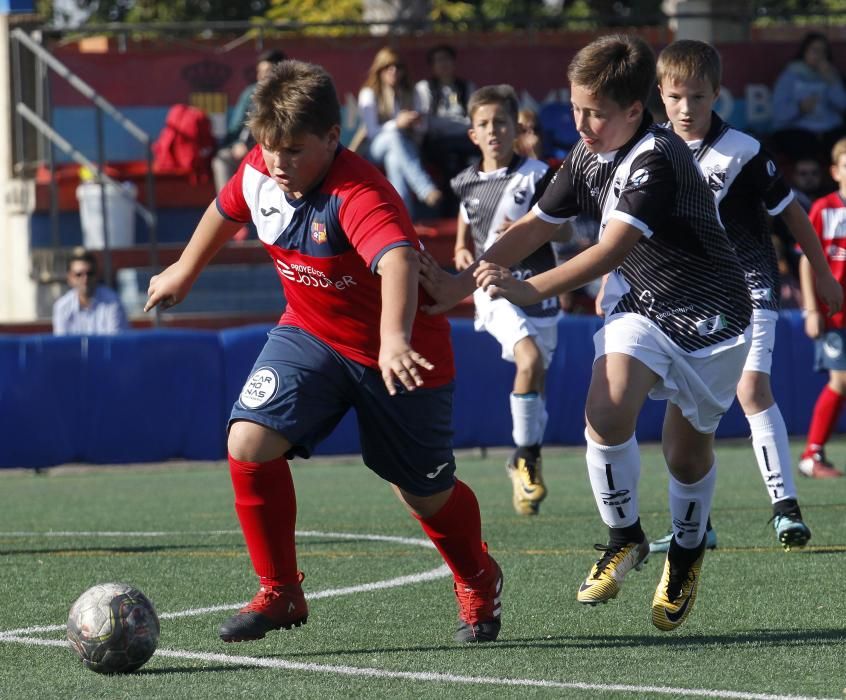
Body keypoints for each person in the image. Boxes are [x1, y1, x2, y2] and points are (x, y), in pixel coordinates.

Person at [143, 59, 503, 645]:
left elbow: (398, 261)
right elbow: (224, 207)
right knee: (248, 441)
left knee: (423, 490)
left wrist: (392, 339)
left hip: (403, 351)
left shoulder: (360, 193)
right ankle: (280, 591)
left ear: (333, 138)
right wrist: (185, 269)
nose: (278, 164)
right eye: (269, 149)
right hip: (310, 335)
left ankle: (478, 577)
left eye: (294, 150)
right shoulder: (264, 165)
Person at [421, 34, 753, 632]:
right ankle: (625, 536)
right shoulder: (585, 152)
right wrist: (459, 284)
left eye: (595, 112)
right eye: (575, 108)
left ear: (634, 109)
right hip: (644, 304)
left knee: (685, 451)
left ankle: (686, 550)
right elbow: (534, 225)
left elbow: (608, 250)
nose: (580, 123)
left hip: (714, 313)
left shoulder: (658, 158)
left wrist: (529, 288)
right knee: (605, 409)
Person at [646, 39, 843, 554]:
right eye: (675, 97)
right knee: (691, 410)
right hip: (686, 297)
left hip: (749, 285)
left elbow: (792, 214)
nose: (686, 109)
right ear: (660, 95)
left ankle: (786, 509)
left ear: (718, 93)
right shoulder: (650, 149)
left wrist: (821, 273)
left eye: (698, 97)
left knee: (751, 390)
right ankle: (697, 524)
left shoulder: (745, 151)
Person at [451, 85, 560, 516]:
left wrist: (537, 227)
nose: (493, 130)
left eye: (501, 122)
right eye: (484, 124)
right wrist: (462, 254)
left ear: (516, 127)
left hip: (539, 288)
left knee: (537, 384)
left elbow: (567, 229)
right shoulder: (465, 182)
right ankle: (527, 458)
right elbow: (465, 240)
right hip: (493, 289)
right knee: (528, 361)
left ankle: (522, 459)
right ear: (472, 134)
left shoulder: (537, 174)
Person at [797, 136, 846, 479]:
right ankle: (811, 454)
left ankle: (815, 453)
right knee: (841, 380)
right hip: (833, 315)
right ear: (835, 171)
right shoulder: (824, 208)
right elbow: (805, 262)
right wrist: (811, 309)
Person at [358, 47, 442, 217]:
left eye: (398, 67)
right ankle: (425, 189)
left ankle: (404, 217)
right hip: (375, 148)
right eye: (388, 67)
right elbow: (373, 132)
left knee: (395, 160)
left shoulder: (412, 92)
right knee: (393, 137)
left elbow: (423, 129)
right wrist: (397, 123)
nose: (394, 71)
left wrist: (416, 122)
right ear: (379, 70)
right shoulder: (369, 94)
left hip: (405, 147)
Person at [212, 49, 288, 193]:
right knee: (221, 160)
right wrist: (236, 144)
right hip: (245, 150)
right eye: (260, 72)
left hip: (276, 152)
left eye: (268, 71)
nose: (262, 76)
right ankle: (226, 209)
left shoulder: (290, 95)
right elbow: (236, 128)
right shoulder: (250, 94)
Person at [770, 32, 846, 164]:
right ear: (804, 52)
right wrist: (799, 108)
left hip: (830, 130)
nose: (819, 56)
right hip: (799, 130)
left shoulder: (831, 75)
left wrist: (831, 81)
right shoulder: (790, 75)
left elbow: (843, 104)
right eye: (815, 50)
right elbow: (779, 112)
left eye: (823, 51)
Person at [415, 44, 477, 197]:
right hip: (435, 142)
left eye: (447, 59)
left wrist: (453, 124)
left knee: (473, 157)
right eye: (439, 61)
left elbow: (474, 120)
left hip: (464, 139)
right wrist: (456, 123)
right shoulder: (425, 87)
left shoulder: (466, 87)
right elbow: (427, 122)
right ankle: (450, 207)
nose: (444, 64)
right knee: (450, 159)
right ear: (432, 66)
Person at [53, 250, 129, 336]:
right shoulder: (62, 307)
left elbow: (116, 343)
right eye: (79, 274)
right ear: (70, 278)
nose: (85, 278)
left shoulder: (113, 301)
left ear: (97, 275)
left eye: (90, 273)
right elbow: (62, 345)